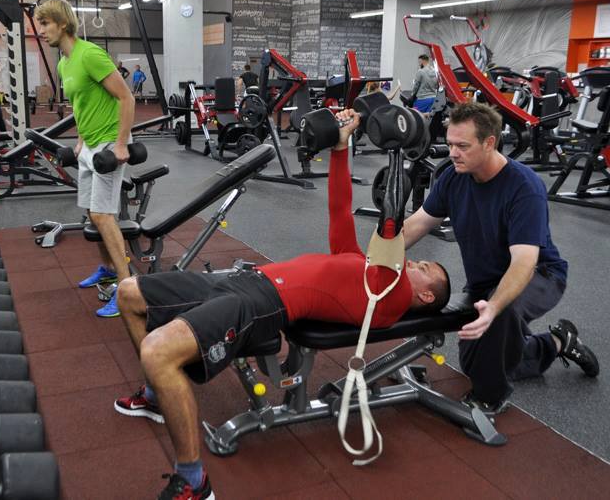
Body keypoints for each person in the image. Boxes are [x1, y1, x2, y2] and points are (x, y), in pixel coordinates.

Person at [112, 109, 451, 499]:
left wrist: (396, 155)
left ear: (426, 295)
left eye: (425, 267)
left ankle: (193, 481)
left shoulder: (390, 296)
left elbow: (390, 223)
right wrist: (341, 148)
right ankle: (156, 395)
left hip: (262, 304)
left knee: (157, 352)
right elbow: (340, 208)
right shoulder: (363, 265)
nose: (416, 261)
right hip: (247, 280)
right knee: (129, 293)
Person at [403, 102, 599, 414]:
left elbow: (523, 262)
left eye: (462, 146)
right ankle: (558, 342)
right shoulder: (453, 177)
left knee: (499, 320)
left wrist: (494, 306)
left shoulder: (523, 187)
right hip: (485, 281)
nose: (453, 152)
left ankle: (488, 399)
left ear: (489, 142)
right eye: (450, 144)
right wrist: (374, 261)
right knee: (477, 360)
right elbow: (417, 224)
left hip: (540, 274)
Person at [36, 0, 135, 318]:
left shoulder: (90, 54)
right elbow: (81, 105)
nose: (42, 31)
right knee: (93, 215)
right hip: (89, 145)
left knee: (104, 215)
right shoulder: (64, 64)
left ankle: (128, 286)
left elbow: (126, 97)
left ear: (62, 23)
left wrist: (120, 144)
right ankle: (108, 269)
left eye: (45, 24)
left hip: (109, 143)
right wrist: (79, 141)